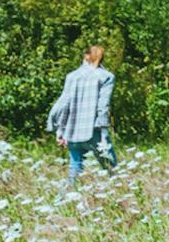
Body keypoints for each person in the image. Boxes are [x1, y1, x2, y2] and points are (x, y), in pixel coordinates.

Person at [47, 45, 117, 190]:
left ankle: (65, 202)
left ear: (85, 56)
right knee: (114, 172)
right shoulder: (106, 77)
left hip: (72, 134)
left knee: (74, 173)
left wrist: (60, 131)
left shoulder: (72, 76)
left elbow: (62, 105)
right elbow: (102, 107)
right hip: (94, 134)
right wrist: (104, 134)